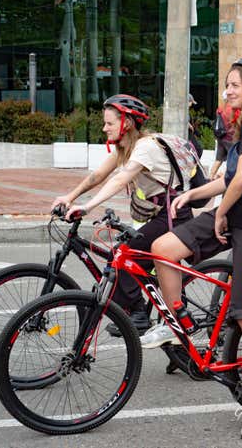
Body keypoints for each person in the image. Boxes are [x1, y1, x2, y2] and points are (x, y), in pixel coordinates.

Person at [146, 58, 242, 440]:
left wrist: (220, 213)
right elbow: (230, 177)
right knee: (163, 248)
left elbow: (241, 180)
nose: (227, 91)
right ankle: (179, 323)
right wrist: (194, 193)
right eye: (227, 85)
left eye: (235, 85)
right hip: (235, 212)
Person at [52, 94, 194, 335]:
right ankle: (166, 321)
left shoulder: (146, 147)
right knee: (129, 257)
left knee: (123, 255)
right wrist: (70, 197)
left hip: (173, 216)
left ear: (126, 123)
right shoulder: (125, 148)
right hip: (159, 214)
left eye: (109, 123)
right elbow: (98, 176)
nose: (104, 127)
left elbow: (120, 179)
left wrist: (87, 207)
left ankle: (138, 314)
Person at [209, 90, 236, 179]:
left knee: (218, 159)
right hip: (230, 138)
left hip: (221, 137)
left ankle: (210, 176)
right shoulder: (231, 109)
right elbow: (233, 124)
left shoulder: (220, 109)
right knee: (233, 160)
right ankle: (223, 176)